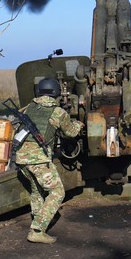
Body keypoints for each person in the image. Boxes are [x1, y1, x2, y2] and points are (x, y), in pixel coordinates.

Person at [14, 77, 83, 244]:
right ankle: (37, 229)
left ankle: (40, 218)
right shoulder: (58, 112)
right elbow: (71, 133)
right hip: (38, 159)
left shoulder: (27, 108)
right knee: (57, 192)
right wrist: (79, 124)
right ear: (56, 93)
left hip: (21, 158)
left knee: (37, 190)